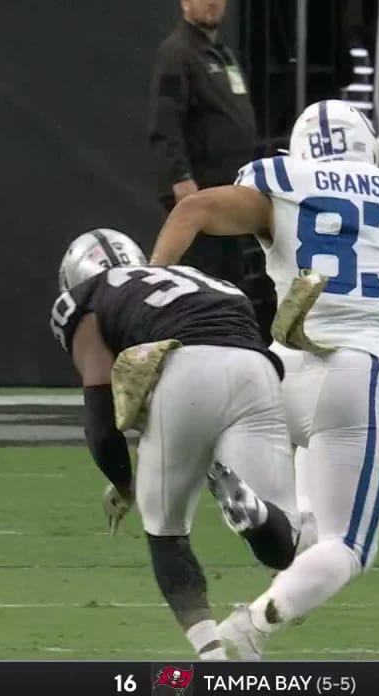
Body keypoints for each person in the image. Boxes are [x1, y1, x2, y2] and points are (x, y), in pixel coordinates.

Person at [148, 100, 379, 659]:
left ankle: (261, 512)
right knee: (349, 546)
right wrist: (375, 302)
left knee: (304, 535)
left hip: (280, 368)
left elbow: (192, 210)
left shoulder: (283, 180)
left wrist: (154, 289)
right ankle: (251, 628)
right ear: (371, 149)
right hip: (354, 372)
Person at [48, 228, 308, 661]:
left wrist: (123, 483)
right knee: (284, 545)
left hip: (186, 370)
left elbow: (99, 416)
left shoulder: (88, 299)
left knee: (166, 531)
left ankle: (212, 656)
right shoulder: (197, 278)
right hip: (256, 368)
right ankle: (251, 508)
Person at [147, 0, 275, 341]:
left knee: (229, 280)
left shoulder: (220, 53)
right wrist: (180, 178)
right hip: (201, 194)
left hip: (230, 193)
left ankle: (228, 348)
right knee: (200, 280)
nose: (212, 3)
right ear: (184, 3)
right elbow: (165, 125)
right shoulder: (177, 53)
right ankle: (199, 346)